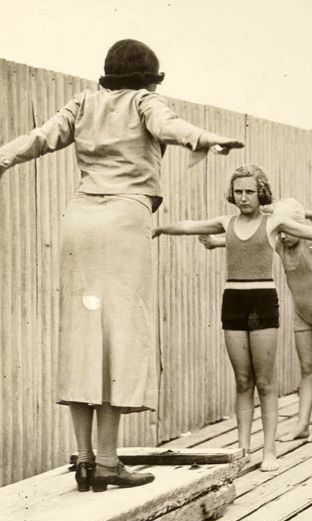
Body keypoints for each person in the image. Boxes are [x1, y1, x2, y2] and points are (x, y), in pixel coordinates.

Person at [0, 39, 243, 491]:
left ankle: (86, 461)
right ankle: (109, 460)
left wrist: (2, 158)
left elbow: (39, 138)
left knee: (82, 333)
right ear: (150, 74)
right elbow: (170, 126)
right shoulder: (145, 101)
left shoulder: (82, 102)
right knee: (118, 334)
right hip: (124, 222)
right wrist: (206, 139)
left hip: (80, 221)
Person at [155, 166, 312, 470]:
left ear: (261, 193)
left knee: (265, 381)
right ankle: (244, 448)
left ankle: (270, 451)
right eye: (239, 191)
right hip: (233, 300)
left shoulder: (273, 222)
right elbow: (190, 226)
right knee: (242, 380)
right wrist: (158, 229)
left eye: (250, 191)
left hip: (263, 300)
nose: (244, 197)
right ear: (232, 193)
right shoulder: (227, 223)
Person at [201, 197, 312, 443]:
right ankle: (301, 424)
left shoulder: (311, 241)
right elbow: (247, 242)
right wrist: (215, 242)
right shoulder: (279, 243)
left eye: (288, 230)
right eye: (281, 231)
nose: (284, 236)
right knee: (307, 369)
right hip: (301, 313)